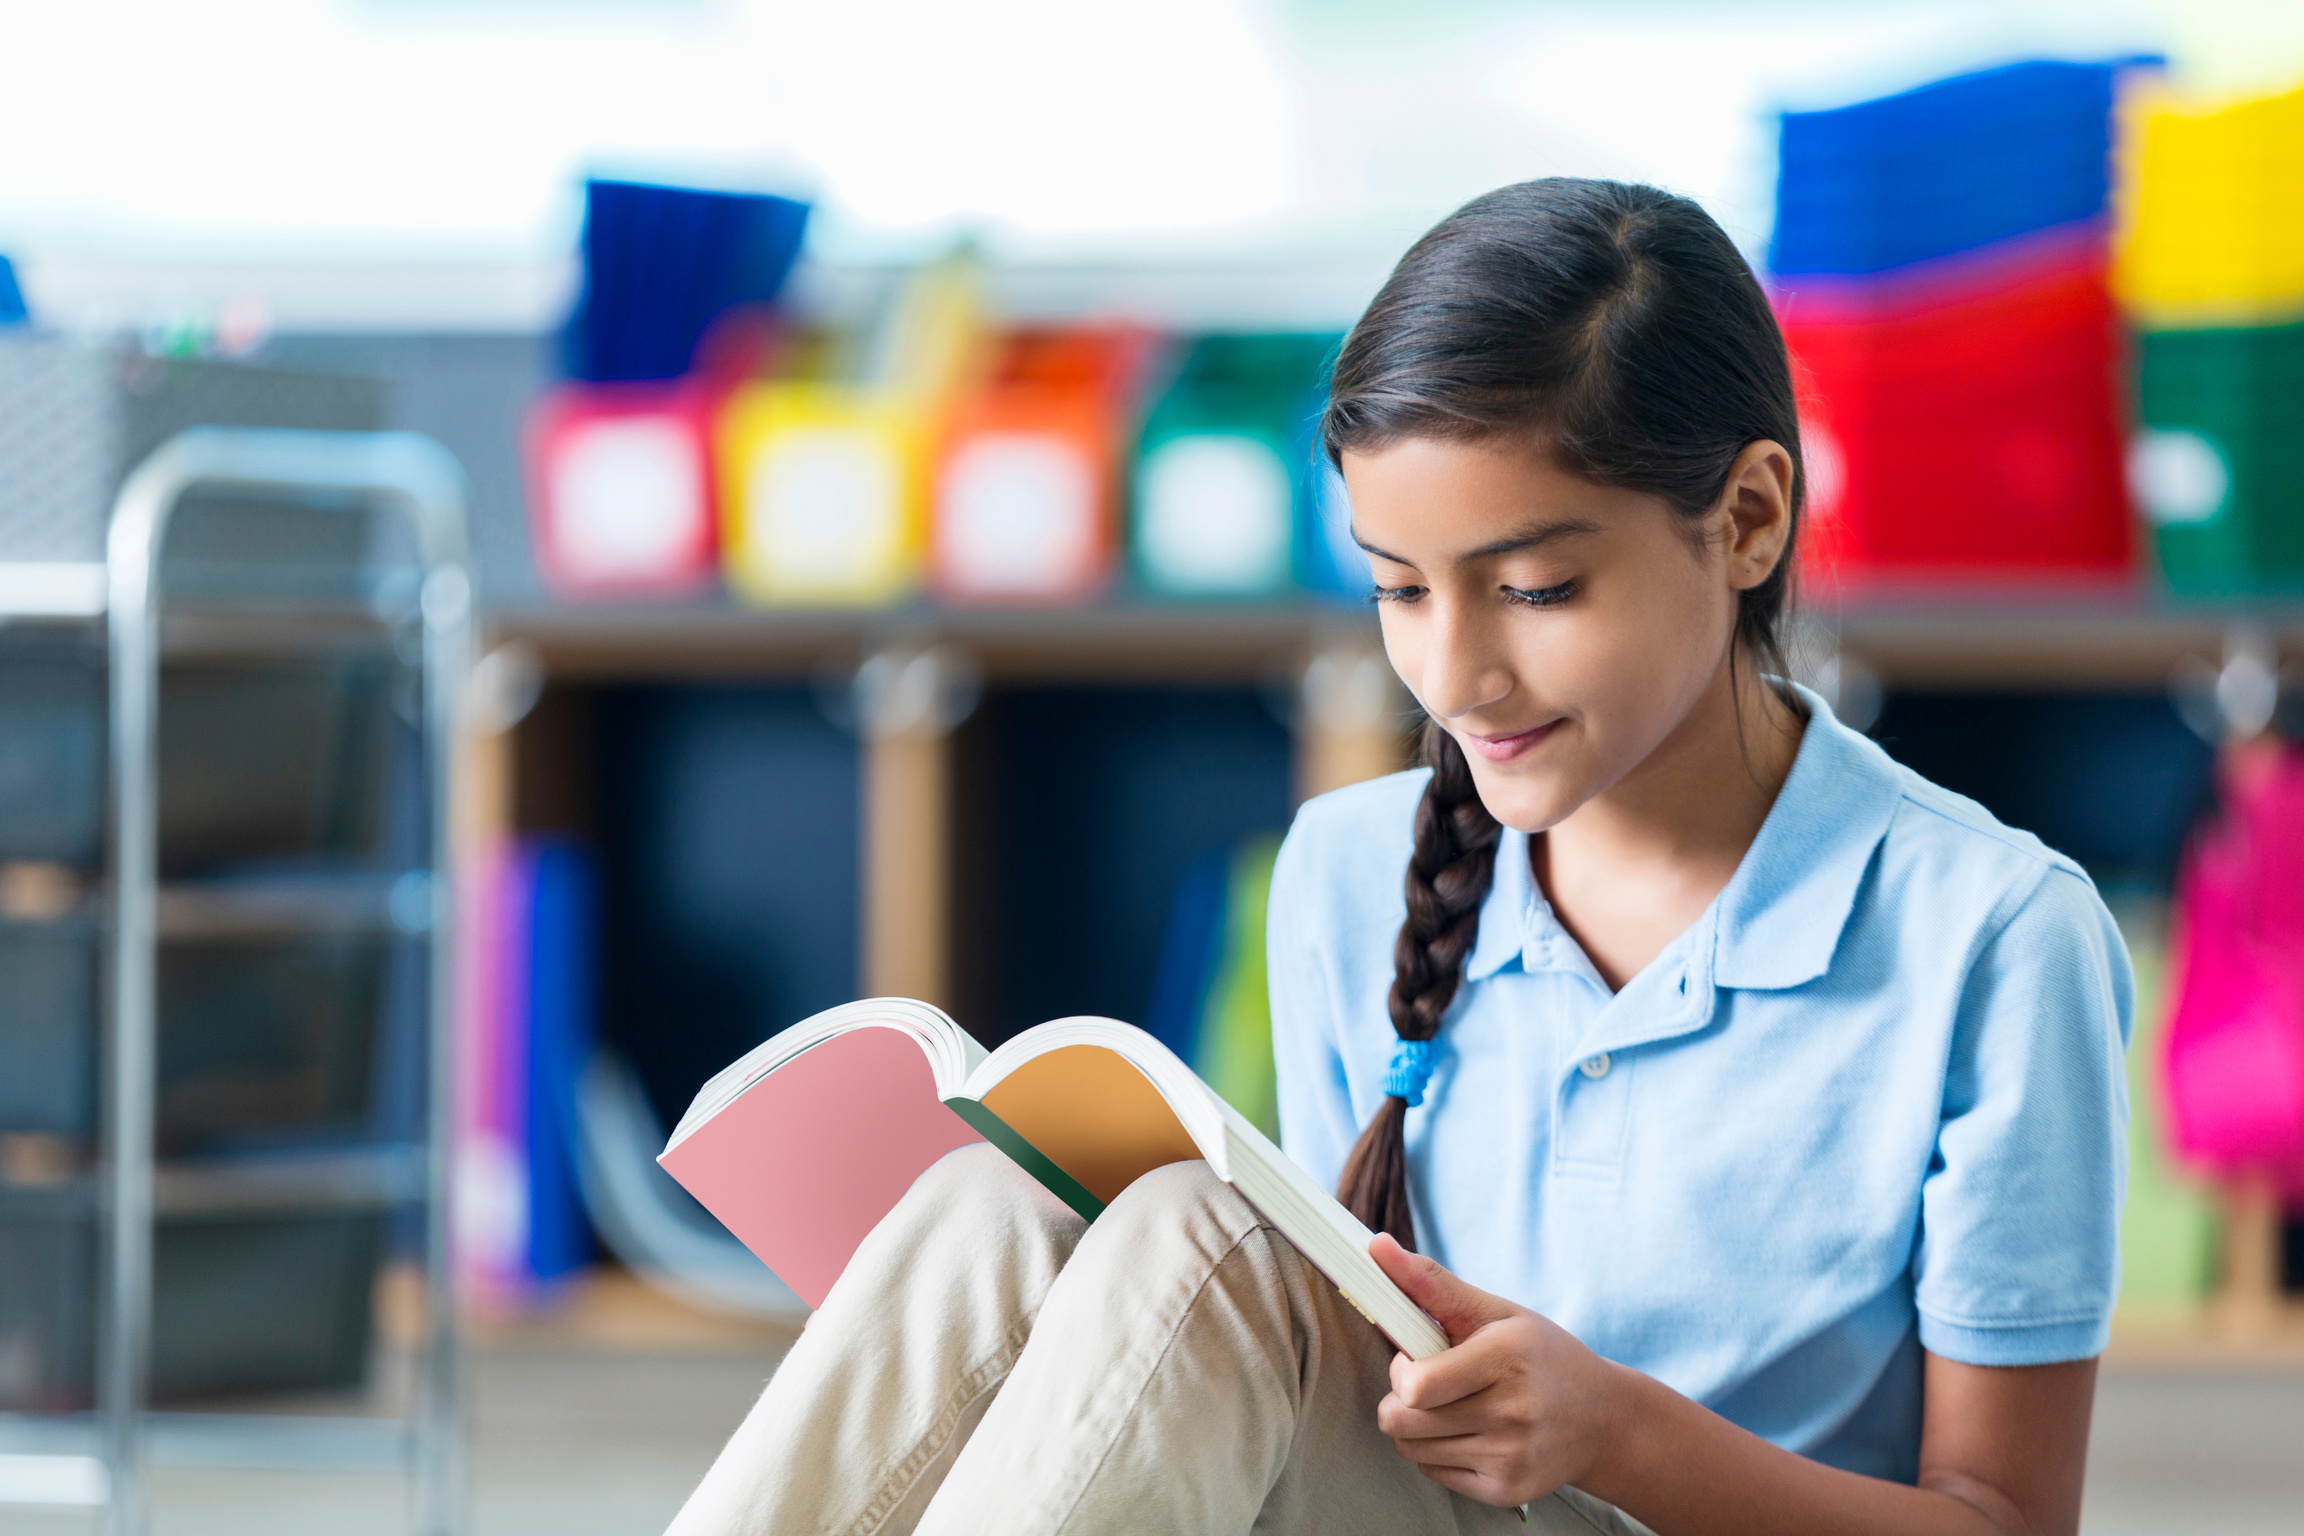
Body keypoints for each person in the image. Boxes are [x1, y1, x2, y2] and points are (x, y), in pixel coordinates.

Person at [665, 179, 2129, 1536]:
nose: (1458, 674)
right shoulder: (1347, 872)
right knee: (1000, 1203)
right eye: (1399, 588)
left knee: (1202, 1248)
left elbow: (2002, 1521)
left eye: (1539, 587)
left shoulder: (1994, 937)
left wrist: (1616, 1431)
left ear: (1746, 519)